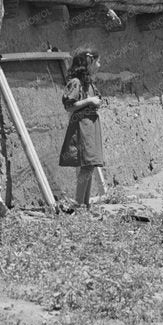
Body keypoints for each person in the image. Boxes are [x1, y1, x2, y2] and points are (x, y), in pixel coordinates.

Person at [59, 49, 107, 208]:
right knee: (86, 166)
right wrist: (90, 101)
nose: (99, 65)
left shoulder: (88, 83)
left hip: (91, 126)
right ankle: (78, 205)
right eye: (97, 61)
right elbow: (69, 106)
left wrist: (96, 101)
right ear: (89, 62)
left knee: (90, 165)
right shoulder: (76, 83)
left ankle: (85, 205)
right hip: (82, 127)